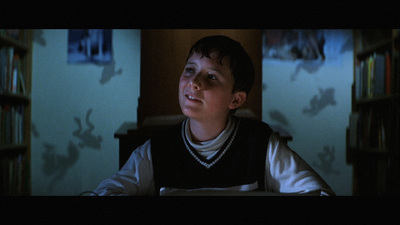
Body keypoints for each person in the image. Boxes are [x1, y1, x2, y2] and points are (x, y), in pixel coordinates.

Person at [92, 35, 335, 196]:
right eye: (190, 70)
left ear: (236, 99)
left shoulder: (261, 145)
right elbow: (106, 192)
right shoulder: (157, 149)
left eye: (212, 77)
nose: (193, 83)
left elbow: (320, 193)